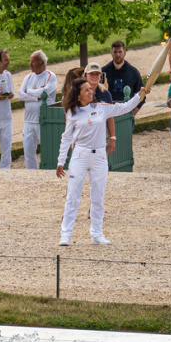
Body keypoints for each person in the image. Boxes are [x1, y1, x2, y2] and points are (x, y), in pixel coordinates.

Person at [56, 79, 150, 246]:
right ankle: (66, 234)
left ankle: (97, 234)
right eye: (86, 90)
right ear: (78, 95)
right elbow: (66, 137)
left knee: (98, 196)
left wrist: (139, 95)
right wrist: (61, 161)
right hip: (80, 155)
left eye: (90, 89)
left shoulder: (101, 107)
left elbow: (124, 108)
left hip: (99, 156)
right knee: (73, 196)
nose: (90, 91)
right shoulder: (72, 112)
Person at [17, 50, 57, 170]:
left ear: (42, 63)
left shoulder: (50, 76)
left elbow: (44, 92)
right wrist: (35, 97)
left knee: (47, 150)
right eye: (30, 61)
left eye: (33, 62)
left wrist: (29, 92)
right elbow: (20, 95)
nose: (30, 64)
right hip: (28, 120)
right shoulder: (28, 77)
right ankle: (31, 173)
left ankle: (48, 171)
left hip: (43, 120)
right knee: (28, 151)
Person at [102, 41, 144, 116]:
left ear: (124, 53)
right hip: (109, 113)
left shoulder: (133, 72)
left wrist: (133, 113)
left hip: (127, 113)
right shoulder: (104, 72)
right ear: (111, 53)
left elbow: (142, 94)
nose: (118, 55)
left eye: (120, 52)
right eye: (115, 52)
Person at [84, 62, 116, 153]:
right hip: (82, 138)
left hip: (101, 138)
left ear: (100, 76)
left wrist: (112, 138)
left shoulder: (105, 94)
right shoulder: (78, 93)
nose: (94, 76)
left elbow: (110, 117)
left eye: (97, 74)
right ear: (85, 75)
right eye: (91, 73)